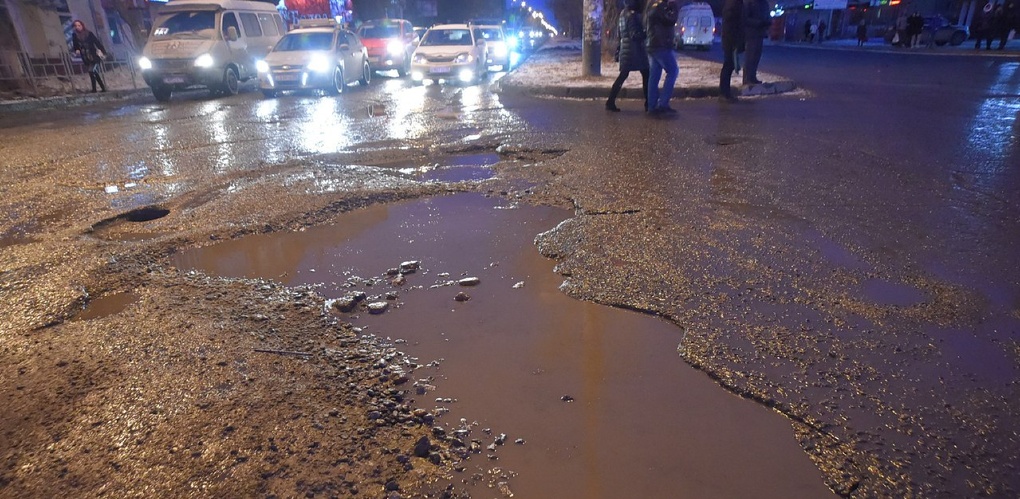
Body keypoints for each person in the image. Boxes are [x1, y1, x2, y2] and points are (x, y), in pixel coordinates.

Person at [607, 0, 650, 112]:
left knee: (623, 75)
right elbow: (634, 34)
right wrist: (646, 33)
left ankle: (610, 101)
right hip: (634, 51)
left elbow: (619, 34)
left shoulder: (622, 14)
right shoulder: (632, 15)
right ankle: (648, 103)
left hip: (626, 49)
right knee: (646, 74)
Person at [644, 0, 680, 114]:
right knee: (673, 70)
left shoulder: (651, 5)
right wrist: (674, 7)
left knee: (654, 75)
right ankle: (663, 104)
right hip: (660, 44)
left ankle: (652, 106)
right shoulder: (660, 6)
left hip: (653, 44)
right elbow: (671, 20)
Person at [71, 19, 107, 93]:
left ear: (82, 25)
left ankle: (94, 89)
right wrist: (77, 49)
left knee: (91, 71)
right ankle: (103, 88)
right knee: (94, 72)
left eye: (79, 25)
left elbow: (97, 42)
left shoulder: (89, 33)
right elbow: (75, 45)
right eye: (76, 26)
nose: (77, 27)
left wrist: (103, 52)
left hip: (93, 55)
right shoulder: (74, 35)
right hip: (85, 56)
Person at [719, 0, 744, 102]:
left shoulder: (733, 3)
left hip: (731, 39)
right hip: (730, 39)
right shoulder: (733, 4)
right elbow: (732, 22)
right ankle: (724, 93)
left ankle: (725, 93)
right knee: (728, 65)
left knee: (729, 65)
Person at [742, 0, 770, 86]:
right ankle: (747, 78)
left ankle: (752, 77)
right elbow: (745, 19)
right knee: (750, 57)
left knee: (756, 56)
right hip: (751, 33)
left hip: (760, 33)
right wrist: (759, 23)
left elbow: (767, 15)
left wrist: (768, 22)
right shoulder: (749, 2)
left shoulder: (764, 3)